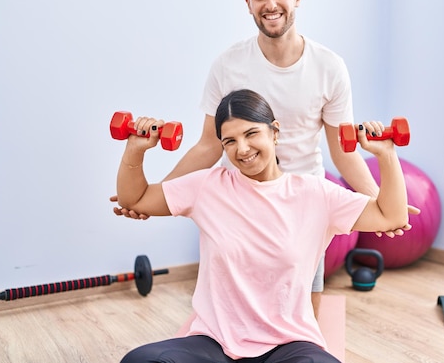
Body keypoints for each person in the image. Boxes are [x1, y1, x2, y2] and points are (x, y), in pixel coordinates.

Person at [111, 0, 419, 316]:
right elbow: (210, 145)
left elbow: (343, 152)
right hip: (240, 202)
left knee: (303, 315)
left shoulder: (329, 67)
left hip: (304, 206)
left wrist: (378, 205)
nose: (270, 4)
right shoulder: (228, 65)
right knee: (235, 308)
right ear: (248, 4)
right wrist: (154, 195)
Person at [117, 89, 411, 363]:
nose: (242, 149)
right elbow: (138, 198)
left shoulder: (316, 193)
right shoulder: (207, 186)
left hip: (288, 344)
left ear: (275, 132)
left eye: (251, 133)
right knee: (140, 361)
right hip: (215, 343)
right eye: (229, 141)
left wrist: (386, 153)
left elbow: (391, 216)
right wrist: (136, 148)